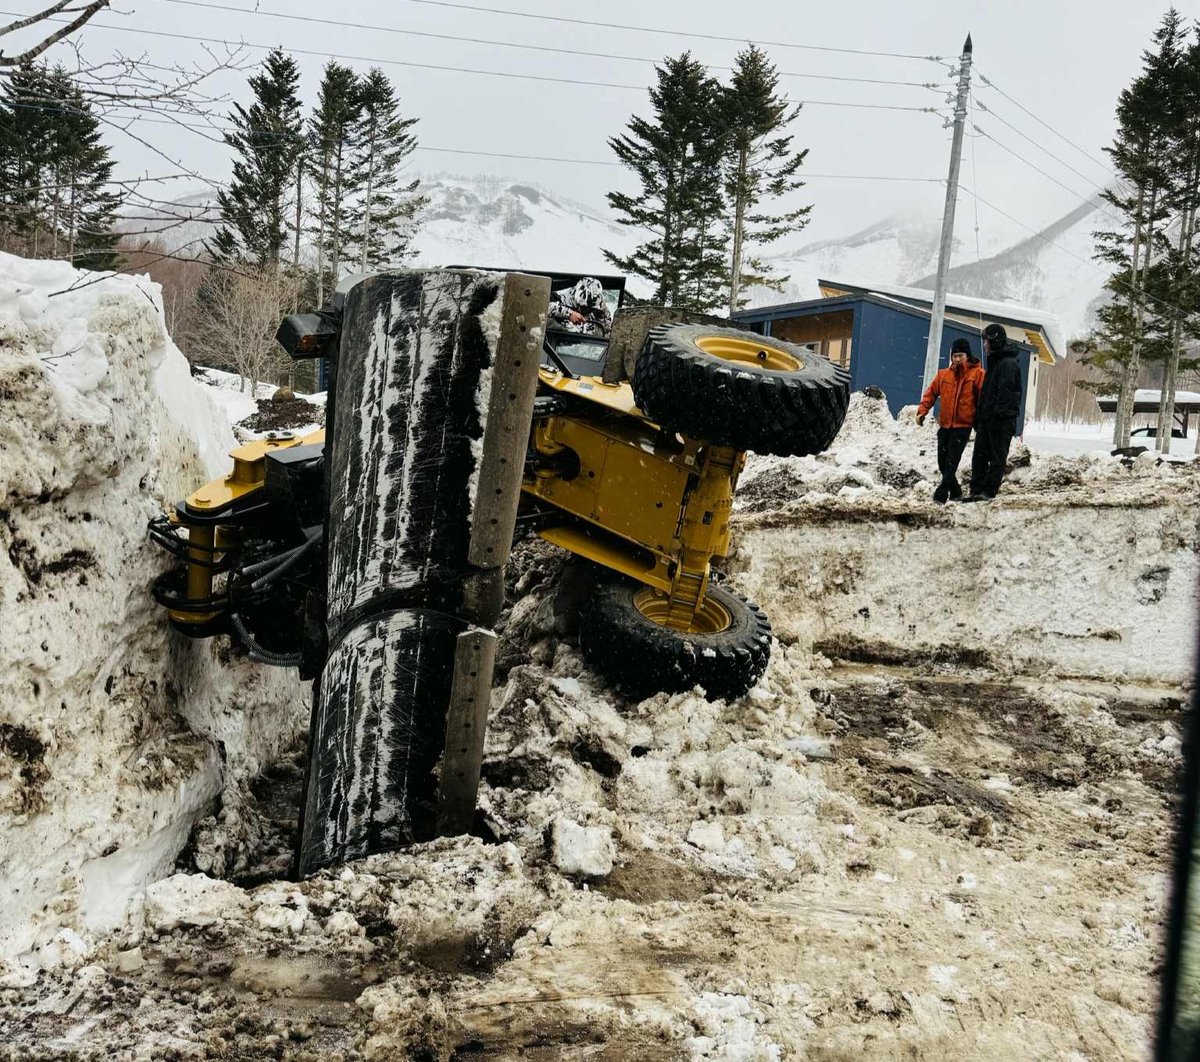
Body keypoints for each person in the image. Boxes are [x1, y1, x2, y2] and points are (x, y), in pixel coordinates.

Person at [916, 338, 985, 503]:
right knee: (942, 462)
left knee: (951, 462)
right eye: (954, 356)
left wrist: (980, 420)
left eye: (960, 355)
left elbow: (983, 399)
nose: (957, 359)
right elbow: (931, 393)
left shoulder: (978, 374)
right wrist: (922, 411)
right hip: (945, 425)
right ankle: (956, 491)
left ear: (967, 356)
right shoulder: (943, 375)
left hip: (963, 425)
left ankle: (941, 493)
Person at [964, 323, 1023, 502]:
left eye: (986, 341)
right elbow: (988, 395)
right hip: (987, 421)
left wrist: (997, 417)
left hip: (1000, 422)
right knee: (979, 456)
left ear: (995, 340)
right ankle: (975, 491)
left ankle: (988, 492)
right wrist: (980, 417)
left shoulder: (1008, 364)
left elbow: (1007, 395)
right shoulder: (996, 362)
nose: (984, 345)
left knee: (997, 457)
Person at [547, 277, 612, 338]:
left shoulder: (598, 308)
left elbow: (608, 331)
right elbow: (542, 307)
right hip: (554, 343)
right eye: (584, 307)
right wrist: (569, 314)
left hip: (588, 345)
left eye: (590, 309)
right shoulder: (558, 298)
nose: (587, 310)